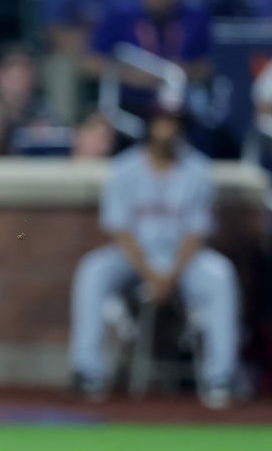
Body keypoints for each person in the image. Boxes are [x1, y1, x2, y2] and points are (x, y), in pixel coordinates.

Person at [69, 104, 240, 409]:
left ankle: (221, 376)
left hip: (183, 259)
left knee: (220, 274)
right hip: (134, 257)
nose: (168, 130)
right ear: (150, 127)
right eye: (162, 123)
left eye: (174, 123)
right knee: (92, 270)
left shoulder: (198, 170)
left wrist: (169, 277)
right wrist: (151, 274)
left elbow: (196, 234)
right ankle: (88, 371)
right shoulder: (124, 169)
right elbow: (121, 231)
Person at [86, 0, 213, 112]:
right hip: (128, 103)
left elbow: (209, 66)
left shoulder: (196, 17)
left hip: (179, 105)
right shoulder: (118, 16)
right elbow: (90, 62)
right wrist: (129, 75)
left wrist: (179, 73)